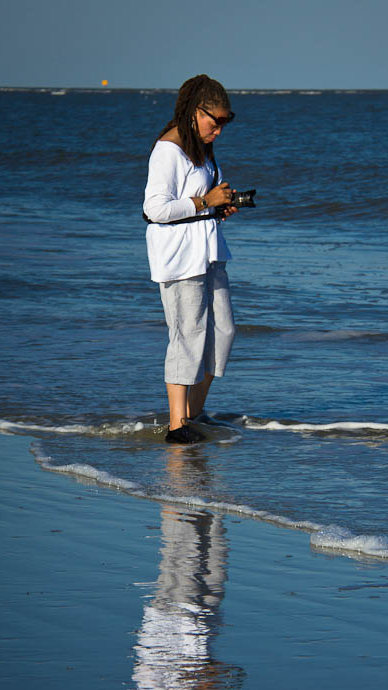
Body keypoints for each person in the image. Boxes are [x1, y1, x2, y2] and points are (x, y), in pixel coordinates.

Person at [143, 74, 238, 444]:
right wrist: (205, 203)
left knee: (223, 332)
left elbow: (206, 196)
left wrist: (221, 205)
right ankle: (177, 425)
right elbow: (155, 209)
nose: (219, 130)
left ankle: (194, 414)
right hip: (180, 256)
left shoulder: (202, 148)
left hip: (209, 251)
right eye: (215, 121)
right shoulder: (168, 149)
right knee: (188, 334)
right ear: (195, 112)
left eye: (225, 123)